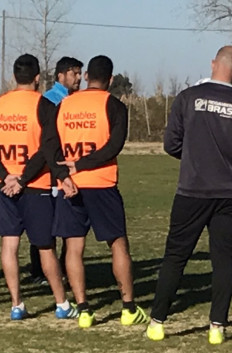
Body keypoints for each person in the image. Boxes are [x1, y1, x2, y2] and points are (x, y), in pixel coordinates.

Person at [147, 46, 232, 345]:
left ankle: (157, 321)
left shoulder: (187, 98)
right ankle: (217, 327)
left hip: (192, 190)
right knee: (223, 260)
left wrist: (193, 161)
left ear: (213, 64)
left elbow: (171, 143)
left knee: (175, 257)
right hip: (230, 194)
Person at [47, 55, 148, 328]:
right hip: (101, 184)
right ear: (111, 80)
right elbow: (113, 147)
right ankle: (128, 308)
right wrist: (83, 164)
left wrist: (64, 174)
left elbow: (49, 146)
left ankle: (83, 310)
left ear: (88, 75)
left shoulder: (63, 105)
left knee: (74, 247)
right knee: (118, 244)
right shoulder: (114, 106)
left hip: (70, 185)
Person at [0, 54, 77, 320]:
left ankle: (16, 303)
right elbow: (47, 149)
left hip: (4, 186)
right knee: (46, 246)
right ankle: (61, 304)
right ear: (37, 77)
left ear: (14, 77)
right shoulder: (43, 104)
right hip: (35, 185)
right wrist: (22, 178)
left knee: (9, 245)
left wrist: (6, 176)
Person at [22, 56, 83, 286]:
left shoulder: (75, 100)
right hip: (49, 174)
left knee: (68, 224)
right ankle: (40, 270)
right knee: (45, 225)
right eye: (73, 73)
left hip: (68, 170)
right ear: (61, 75)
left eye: (79, 73)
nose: (78, 78)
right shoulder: (50, 101)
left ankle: (64, 269)